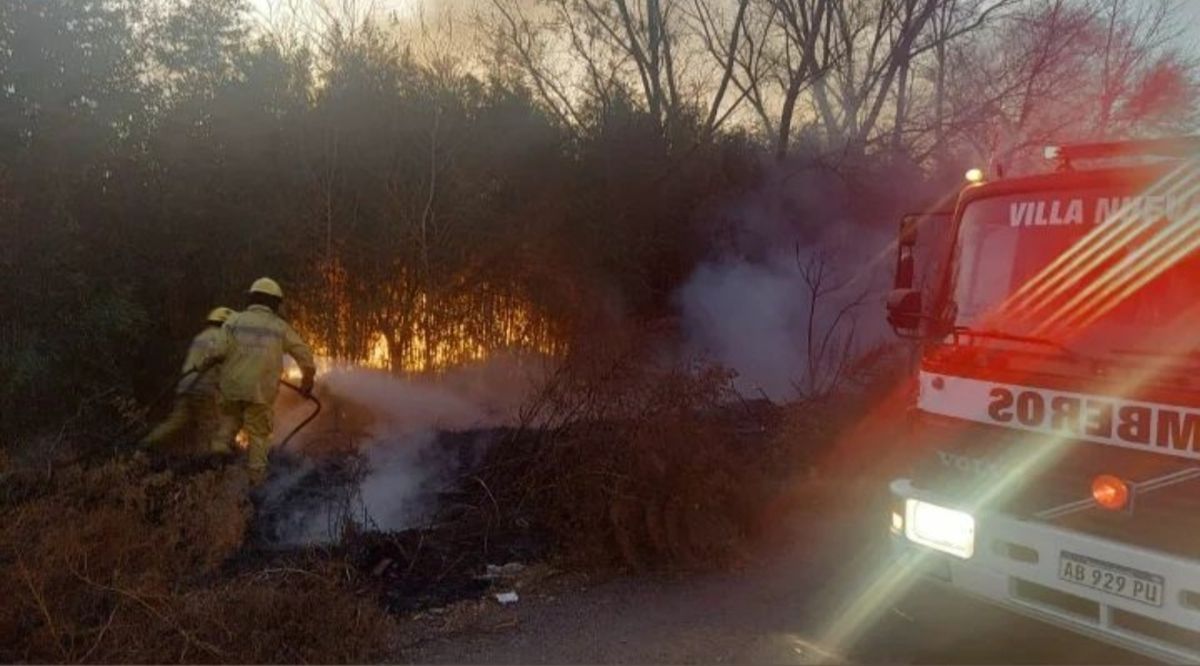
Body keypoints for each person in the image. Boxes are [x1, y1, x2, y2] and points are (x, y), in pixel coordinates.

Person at [207, 277, 316, 485]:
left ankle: (214, 469)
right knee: (258, 435)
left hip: (231, 388)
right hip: (260, 391)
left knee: (229, 424)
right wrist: (307, 382)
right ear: (274, 303)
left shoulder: (233, 321)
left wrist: (204, 366)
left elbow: (216, 352)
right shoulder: (280, 327)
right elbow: (304, 356)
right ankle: (255, 483)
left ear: (252, 298)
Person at [141, 307, 236, 449]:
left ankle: (144, 444)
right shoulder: (222, 339)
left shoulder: (200, 337)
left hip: (186, 386)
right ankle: (205, 459)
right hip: (204, 388)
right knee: (210, 428)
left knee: (174, 422)